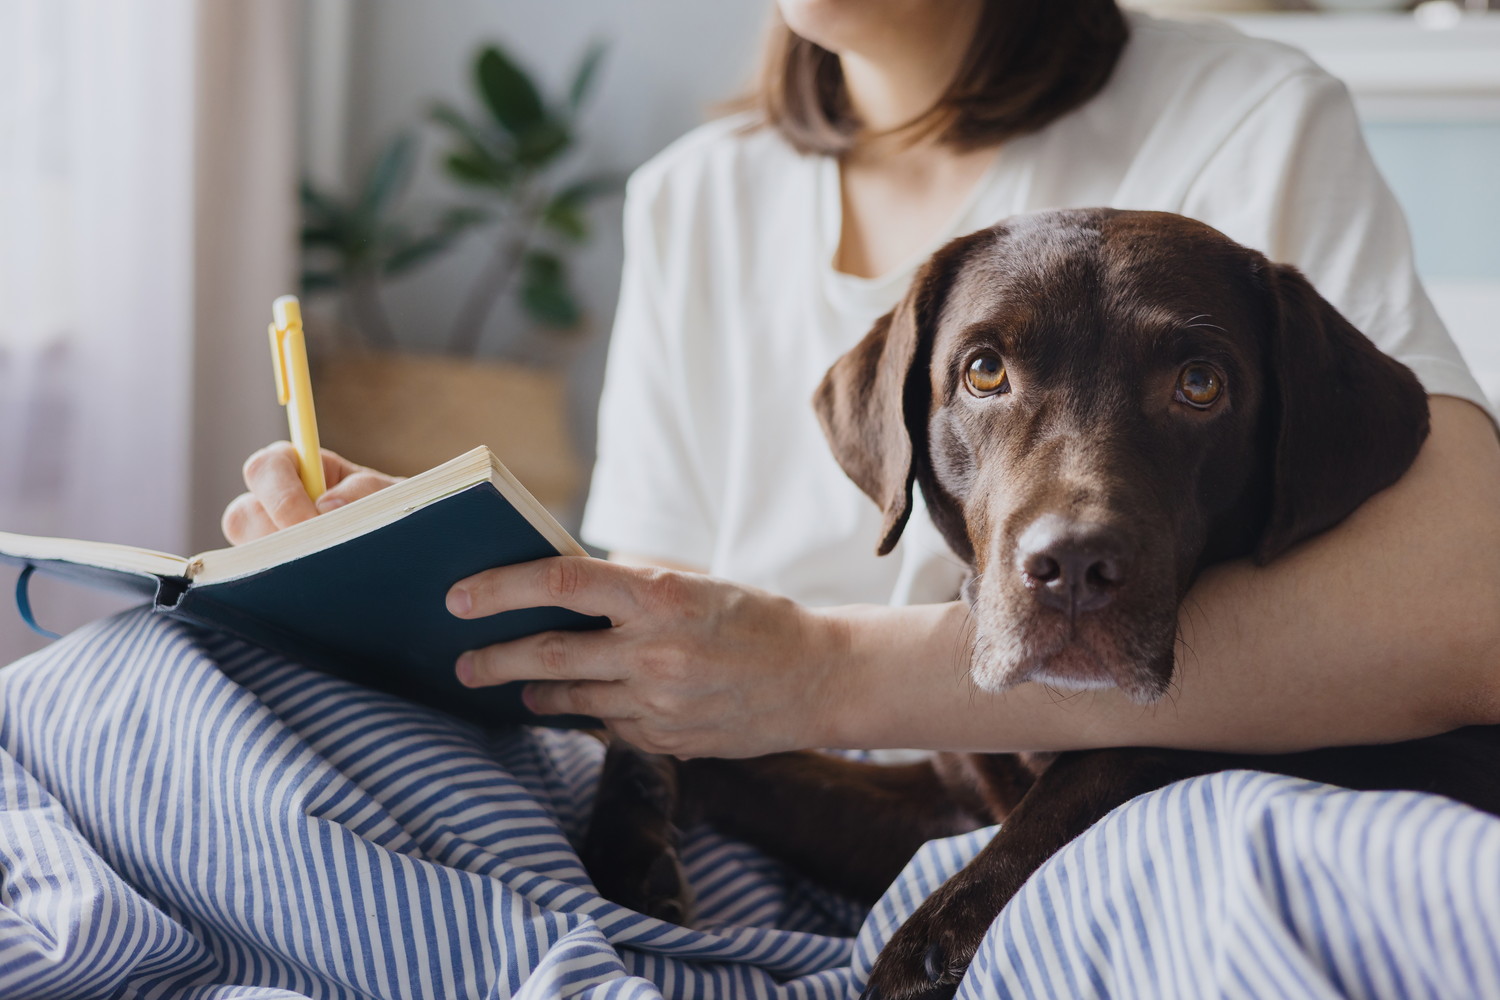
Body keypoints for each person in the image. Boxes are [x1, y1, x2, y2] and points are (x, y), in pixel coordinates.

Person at [229, 0, 1500, 763]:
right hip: (761, 808)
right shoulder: (696, 195)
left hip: (1070, 817)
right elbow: (649, 658)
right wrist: (420, 587)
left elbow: (1468, 613)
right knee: (176, 689)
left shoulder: (1245, 116)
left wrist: (828, 673)